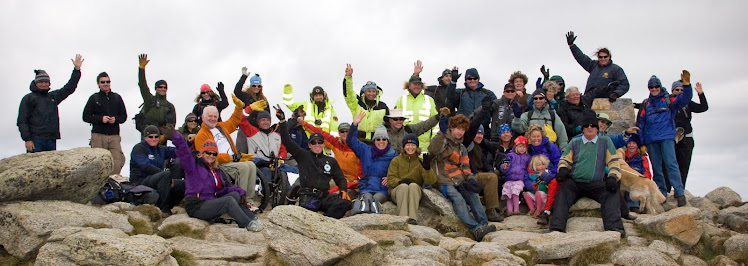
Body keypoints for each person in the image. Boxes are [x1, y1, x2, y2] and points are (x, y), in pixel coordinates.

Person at [168, 127, 263, 232]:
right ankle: (247, 223)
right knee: (228, 201)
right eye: (208, 153)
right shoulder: (193, 166)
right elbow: (184, 152)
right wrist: (176, 136)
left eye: (214, 154)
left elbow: (220, 191)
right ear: (202, 153)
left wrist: (238, 191)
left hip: (210, 201)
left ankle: (252, 218)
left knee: (235, 195)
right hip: (196, 205)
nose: (211, 156)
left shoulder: (215, 170)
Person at [550, 116, 626, 236]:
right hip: (575, 182)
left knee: (612, 192)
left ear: (597, 129)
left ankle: (614, 227)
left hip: (596, 183)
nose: (589, 128)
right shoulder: (575, 142)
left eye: (592, 126)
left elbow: (613, 162)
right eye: (586, 126)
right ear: (582, 129)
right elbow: (565, 158)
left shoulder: (605, 141)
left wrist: (613, 176)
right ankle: (557, 227)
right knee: (563, 192)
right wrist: (563, 169)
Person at [276, 105, 352, 219]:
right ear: (309, 145)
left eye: (320, 142)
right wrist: (282, 122)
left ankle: (325, 222)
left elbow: (340, 178)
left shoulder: (330, 161)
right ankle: (321, 220)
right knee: (308, 212)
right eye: (314, 142)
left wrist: (343, 190)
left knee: (345, 204)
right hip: (308, 197)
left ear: (323, 144)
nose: (317, 145)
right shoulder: (302, 155)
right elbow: (286, 140)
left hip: (324, 197)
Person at [428, 114, 496, 241]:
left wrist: (470, 178)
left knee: (473, 195)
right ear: (451, 128)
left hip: (459, 180)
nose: (460, 132)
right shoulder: (442, 141)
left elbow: (465, 166)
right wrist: (441, 133)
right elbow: (432, 149)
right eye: (458, 128)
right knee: (458, 198)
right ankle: (475, 229)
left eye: (463, 129)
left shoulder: (462, 148)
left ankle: (483, 225)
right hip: (443, 181)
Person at [195, 95, 263, 208]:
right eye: (209, 116)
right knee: (244, 168)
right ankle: (242, 201)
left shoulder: (220, 127)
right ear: (203, 117)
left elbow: (234, 121)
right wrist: (231, 158)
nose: (212, 119)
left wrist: (238, 107)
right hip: (218, 165)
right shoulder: (201, 135)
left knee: (251, 165)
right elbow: (207, 157)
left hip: (232, 160)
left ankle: (249, 199)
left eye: (215, 116)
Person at [637, 72, 693, 207]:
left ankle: (679, 193)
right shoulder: (646, 104)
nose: (654, 89)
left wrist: (687, 85)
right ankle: (661, 194)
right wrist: (642, 143)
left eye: (656, 86)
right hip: (651, 140)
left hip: (667, 138)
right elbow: (641, 124)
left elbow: (685, 99)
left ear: (660, 87)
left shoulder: (669, 100)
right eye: (651, 87)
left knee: (671, 165)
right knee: (657, 168)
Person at [18, 54, 84, 153]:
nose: (44, 84)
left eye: (46, 82)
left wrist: (77, 70)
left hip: (51, 139)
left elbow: (69, 87)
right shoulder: (28, 98)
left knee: (51, 168)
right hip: (36, 140)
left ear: (49, 83)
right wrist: (27, 139)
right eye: (41, 81)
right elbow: (22, 121)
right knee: (36, 167)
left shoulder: (53, 96)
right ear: (36, 83)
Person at [129, 125, 186, 216]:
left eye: (156, 137)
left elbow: (180, 151)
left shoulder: (161, 149)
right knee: (165, 175)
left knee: (183, 184)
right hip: (140, 182)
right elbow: (145, 166)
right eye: (150, 137)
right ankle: (164, 209)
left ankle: (171, 204)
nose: (153, 139)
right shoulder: (139, 148)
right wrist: (166, 176)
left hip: (158, 179)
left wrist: (177, 138)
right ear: (145, 138)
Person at [82, 71, 127, 175]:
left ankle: (113, 184)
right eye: (103, 82)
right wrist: (100, 119)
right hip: (98, 135)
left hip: (114, 135)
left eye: (108, 81)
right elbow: (85, 116)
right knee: (98, 163)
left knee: (117, 161)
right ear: (98, 84)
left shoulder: (117, 97)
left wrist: (115, 119)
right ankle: (100, 187)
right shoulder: (94, 98)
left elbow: (124, 116)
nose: (106, 84)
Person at [565, 31, 630, 101]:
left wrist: (615, 94)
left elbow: (624, 84)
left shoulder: (616, 69)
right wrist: (572, 46)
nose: (603, 59)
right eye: (600, 57)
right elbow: (581, 58)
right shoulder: (593, 65)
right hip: (589, 98)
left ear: (609, 57)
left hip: (605, 100)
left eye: (605, 57)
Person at [348, 112, 397, 203]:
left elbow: (401, 171)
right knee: (365, 199)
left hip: (382, 190)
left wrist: (390, 177)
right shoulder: (365, 150)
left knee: (375, 200)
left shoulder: (393, 155)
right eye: (378, 139)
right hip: (366, 188)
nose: (381, 142)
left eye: (384, 139)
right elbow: (351, 141)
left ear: (387, 141)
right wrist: (354, 125)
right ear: (374, 141)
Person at [386, 134, 436, 221]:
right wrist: (400, 181)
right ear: (404, 147)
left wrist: (427, 169)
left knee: (413, 186)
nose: (410, 147)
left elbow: (431, 181)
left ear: (416, 147)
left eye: (413, 145)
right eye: (408, 145)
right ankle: (402, 219)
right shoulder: (396, 160)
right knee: (403, 187)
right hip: (398, 191)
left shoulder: (420, 161)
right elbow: (390, 179)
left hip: (414, 191)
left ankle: (413, 219)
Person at [303, 121, 362, 192]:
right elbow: (321, 134)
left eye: (347, 131)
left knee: (332, 192)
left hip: (352, 181)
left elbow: (363, 166)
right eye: (342, 131)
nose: (345, 133)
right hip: (337, 177)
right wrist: (304, 124)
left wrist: (357, 180)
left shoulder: (358, 146)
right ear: (339, 133)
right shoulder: (336, 143)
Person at [671, 81, 708, 189]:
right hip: (671, 139)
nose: (679, 92)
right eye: (676, 90)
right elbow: (651, 106)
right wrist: (635, 105)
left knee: (684, 167)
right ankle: (667, 191)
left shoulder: (688, 103)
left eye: (682, 90)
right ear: (672, 90)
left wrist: (701, 94)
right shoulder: (667, 102)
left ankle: (680, 191)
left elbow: (703, 107)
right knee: (670, 166)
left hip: (687, 139)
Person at [396, 60, 439, 151]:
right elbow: (395, 121)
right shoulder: (401, 99)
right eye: (414, 84)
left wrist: (434, 141)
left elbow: (436, 123)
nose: (417, 86)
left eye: (419, 84)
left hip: (425, 145)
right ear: (409, 85)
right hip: (405, 144)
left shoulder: (429, 100)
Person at [524, 125, 562, 225]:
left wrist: (547, 174)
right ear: (529, 137)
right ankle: (535, 208)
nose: (536, 139)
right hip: (535, 181)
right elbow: (527, 170)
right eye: (533, 136)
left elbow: (559, 163)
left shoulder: (551, 147)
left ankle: (546, 211)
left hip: (550, 179)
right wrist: (529, 184)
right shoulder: (530, 150)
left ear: (542, 136)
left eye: (538, 136)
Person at [343, 64, 389, 142]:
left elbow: (389, 124)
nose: (371, 94)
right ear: (364, 92)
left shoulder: (383, 106)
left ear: (377, 93)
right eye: (369, 91)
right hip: (359, 140)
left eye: (373, 91)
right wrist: (348, 78)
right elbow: (349, 93)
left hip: (377, 142)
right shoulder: (357, 104)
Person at [136, 54, 176, 135]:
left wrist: (164, 137)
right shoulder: (150, 100)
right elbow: (143, 85)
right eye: (160, 87)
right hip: (147, 134)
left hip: (161, 136)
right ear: (156, 88)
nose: (163, 89)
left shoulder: (169, 106)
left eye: (165, 87)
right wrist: (141, 69)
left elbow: (171, 124)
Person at [499, 136, 532, 216]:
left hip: (519, 179)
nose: (522, 149)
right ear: (516, 146)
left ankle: (516, 209)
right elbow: (504, 164)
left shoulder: (527, 157)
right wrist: (504, 167)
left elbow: (529, 168)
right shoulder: (510, 155)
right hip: (509, 179)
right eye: (520, 146)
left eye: (524, 147)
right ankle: (509, 210)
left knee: (515, 193)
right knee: (508, 194)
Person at [621, 134, 652, 213]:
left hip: (639, 183)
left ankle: (636, 207)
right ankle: (633, 207)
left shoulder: (642, 158)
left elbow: (647, 173)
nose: (631, 145)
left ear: (637, 145)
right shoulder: (622, 157)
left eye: (634, 143)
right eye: (629, 143)